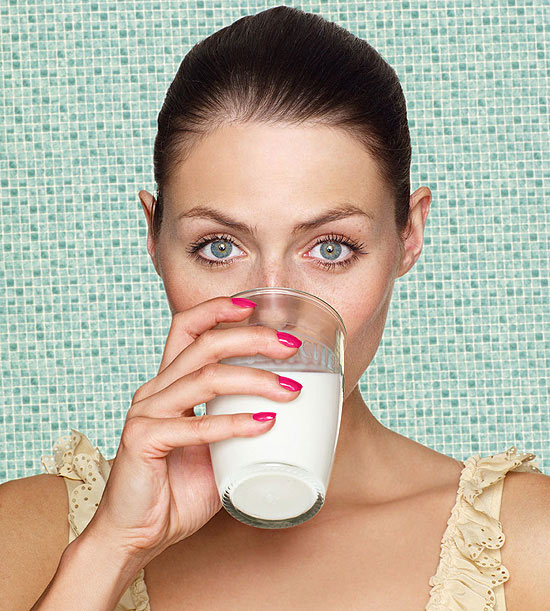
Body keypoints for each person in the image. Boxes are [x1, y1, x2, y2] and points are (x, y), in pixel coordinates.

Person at [1, 6, 548, 610]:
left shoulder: (525, 544)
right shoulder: (27, 535)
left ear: (409, 237)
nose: (273, 311)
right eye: (218, 247)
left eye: (331, 248)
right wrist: (112, 548)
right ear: (154, 239)